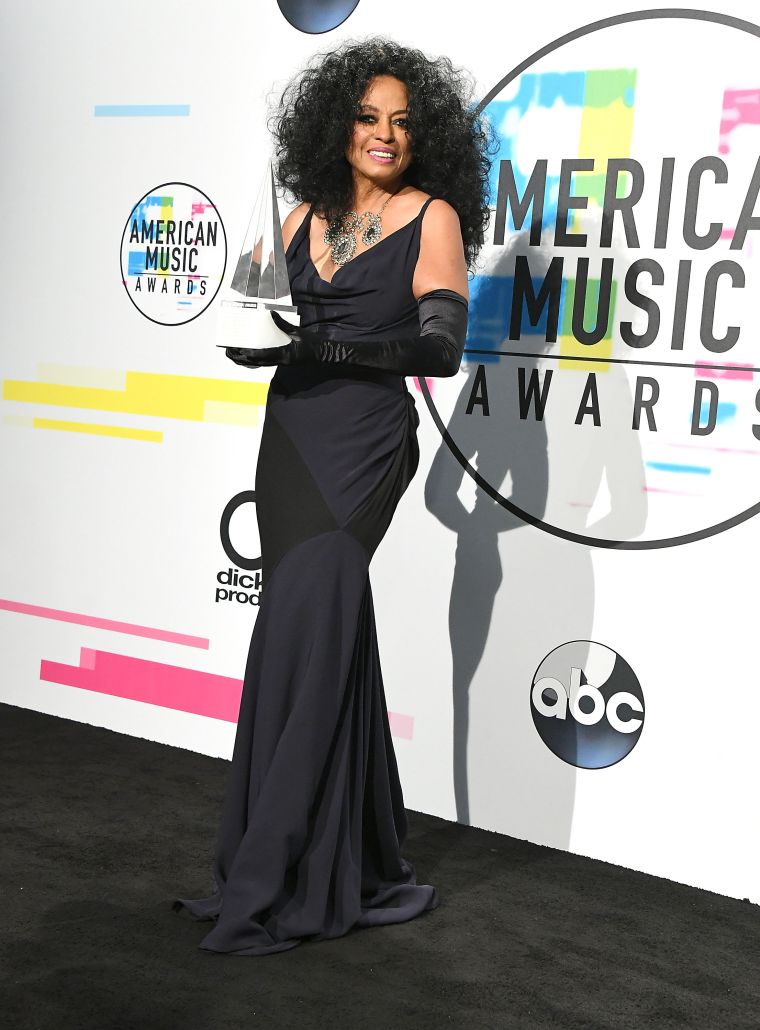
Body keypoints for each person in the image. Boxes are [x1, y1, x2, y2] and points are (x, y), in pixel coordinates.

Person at [173, 37, 493, 955]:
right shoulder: (301, 216)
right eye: (366, 116)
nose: (383, 133)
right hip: (292, 435)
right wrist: (259, 325)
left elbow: (440, 351)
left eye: (402, 121)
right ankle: (343, 852)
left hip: (364, 442)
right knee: (302, 632)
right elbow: (264, 310)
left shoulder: (430, 216)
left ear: (423, 138)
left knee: (317, 618)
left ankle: (277, 869)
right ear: (335, 127)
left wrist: (331, 347)